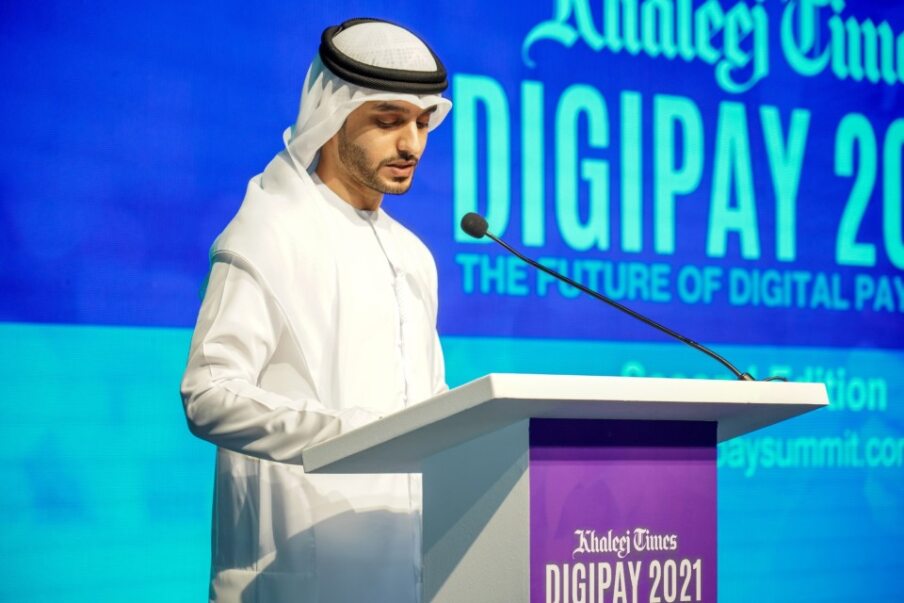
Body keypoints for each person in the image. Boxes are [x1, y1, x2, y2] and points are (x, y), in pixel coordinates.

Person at [180, 18, 452, 602]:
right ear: (332, 117)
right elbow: (207, 393)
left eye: (422, 122)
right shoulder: (268, 229)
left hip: (409, 573)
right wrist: (351, 434)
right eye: (388, 122)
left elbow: (429, 412)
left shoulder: (414, 256)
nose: (412, 144)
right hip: (296, 579)